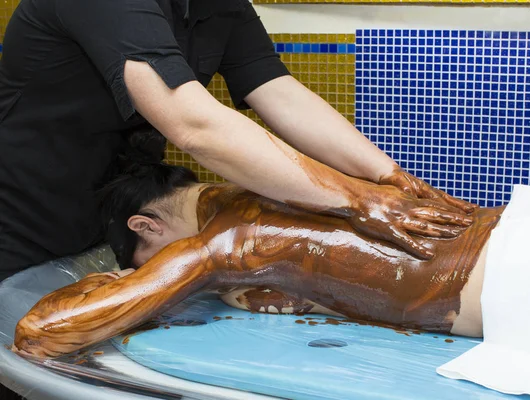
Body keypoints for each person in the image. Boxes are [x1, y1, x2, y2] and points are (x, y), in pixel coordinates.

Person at [0, 0, 475, 285]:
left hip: (109, 213)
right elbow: (194, 125)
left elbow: (281, 94)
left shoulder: (220, 5)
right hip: (20, 218)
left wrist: (386, 176)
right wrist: (355, 199)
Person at [12, 158, 502, 359]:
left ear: (145, 226)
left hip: (519, 277)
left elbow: (39, 333)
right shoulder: (288, 181)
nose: (154, 271)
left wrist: (114, 284)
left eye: (145, 260)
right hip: (521, 223)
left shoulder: (230, 239)